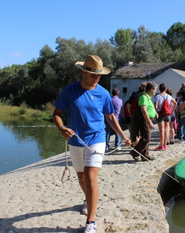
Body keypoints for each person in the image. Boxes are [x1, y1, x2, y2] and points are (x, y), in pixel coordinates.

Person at [52, 55, 131, 233]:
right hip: (75, 140)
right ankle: (88, 200)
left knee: (90, 177)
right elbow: (56, 113)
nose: (96, 78)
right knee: (81, 177)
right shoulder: (70, 91)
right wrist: (61, 127)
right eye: (92, 75)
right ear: (83, 72)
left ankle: (91, 222)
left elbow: (110, 117)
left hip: (97, 139)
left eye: (98, 75)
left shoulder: (103, 93)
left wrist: (123, 136)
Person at [130, 82, 158, 161]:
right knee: (146, 138)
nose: (155, 91)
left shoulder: (147, 97)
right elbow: (143, 110)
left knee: (145, 137)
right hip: (144, 120)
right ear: (152, 89)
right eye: (155, 89)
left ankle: (145, 155)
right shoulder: (144, 97)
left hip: (146, 119)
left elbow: (149, 108)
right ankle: (134, 152)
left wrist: (155, 113)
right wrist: (149, 122)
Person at [154, 83, 177, 151]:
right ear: (165, 89)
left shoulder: (157, 96)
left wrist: (155, 113)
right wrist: (172, 110)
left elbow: (156, 106)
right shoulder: (168, 96)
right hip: (168, 114)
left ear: (159, 89)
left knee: (161, 130)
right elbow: (175, 103)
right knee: (167, 129)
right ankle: (165, 144)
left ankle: (161, 145)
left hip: (160, 113)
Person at [123, 82, 146, 147]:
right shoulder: (146, 95)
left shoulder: (135, 94)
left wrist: (130, 113)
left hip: (135, 115)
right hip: (144, 116)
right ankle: (142, 148)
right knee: (143, 133)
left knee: (135, 133)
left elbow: (128, 105)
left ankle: (136, 149)